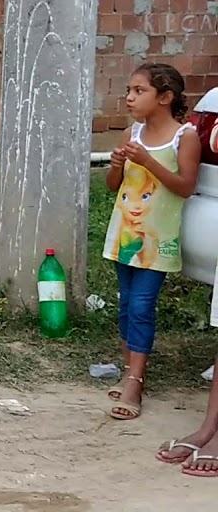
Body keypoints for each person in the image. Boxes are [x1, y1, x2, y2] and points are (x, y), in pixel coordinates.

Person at [103, 62, 200, 421]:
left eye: (139, 91)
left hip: (158, 240)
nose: (129, 97)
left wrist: (147, 161)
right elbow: (114, 186)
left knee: (143, 305)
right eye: (129, 90)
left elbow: (185, 186)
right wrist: (116, 165)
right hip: (126, 235)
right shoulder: (133, 132)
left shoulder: (184, 137)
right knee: (127, 305)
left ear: (165, 97)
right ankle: (131, 370)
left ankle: (135, 381)